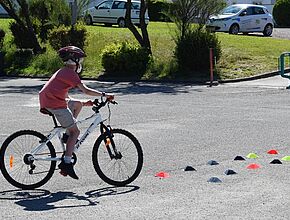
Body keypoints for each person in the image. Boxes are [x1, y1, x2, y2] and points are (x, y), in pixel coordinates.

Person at [39, 46, 114, 180]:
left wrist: (85, 103)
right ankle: (67, 163)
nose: (81, 63)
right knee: (76, 132)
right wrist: (105, 94)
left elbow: (67, 98)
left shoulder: (64, 72)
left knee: (77, 104)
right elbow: (85, 90)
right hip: (54, 103)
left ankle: (68, 137)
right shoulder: (69, 73)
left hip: (51, 100)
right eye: (80, 59)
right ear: (74, 60)